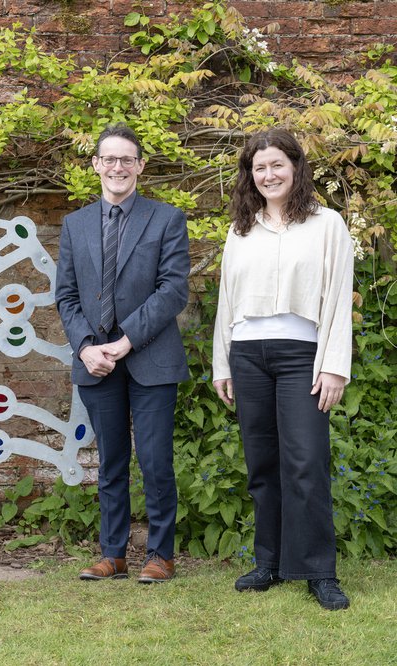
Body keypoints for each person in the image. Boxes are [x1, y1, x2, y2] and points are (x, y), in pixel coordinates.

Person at [212, 128, 353, 610]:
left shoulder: (327, 223)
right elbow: (227, 300)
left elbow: (337, 297)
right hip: (248, 354)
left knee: (306, 462)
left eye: (277, 165)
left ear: (295, 167)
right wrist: (222, 363)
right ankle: (268, 562)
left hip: (302, 355)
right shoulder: (241, 227)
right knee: (262, 464)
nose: (269, 174)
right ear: (250, 176)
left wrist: (334, 366)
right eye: (259, 168)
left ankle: (317, 570)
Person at [55, 124, 190, 583]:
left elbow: (173, 291)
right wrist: (87, 347)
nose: (117, 167)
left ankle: (160, 555)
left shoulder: (166, 219)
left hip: (150, 356)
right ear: (95, 164)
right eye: (108, 159)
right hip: (97, 361)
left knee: (155, 461)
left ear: (140, 166)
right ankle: (112, 554)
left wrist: (126, 339)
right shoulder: (74, 225)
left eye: (126, 159)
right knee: (111, 461)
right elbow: (66, 297)